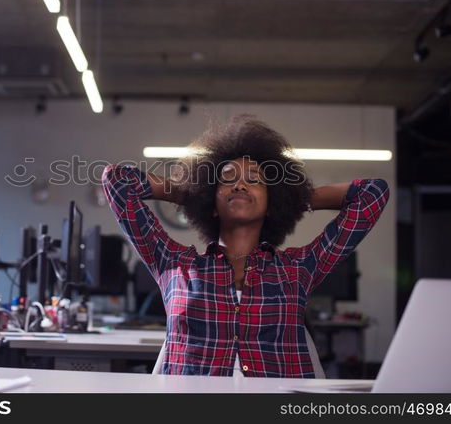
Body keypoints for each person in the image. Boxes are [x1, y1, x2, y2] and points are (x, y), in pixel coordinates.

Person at [102, 115, 389, 378]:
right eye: (227, 181)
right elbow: (118, 180)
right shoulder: (175, 266)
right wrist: (191, 192)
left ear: (271, 202)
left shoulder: (298, 269)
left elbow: (372, 194)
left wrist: (293, 199)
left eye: (253, 181)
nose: (240, 186)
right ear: (211, 202)